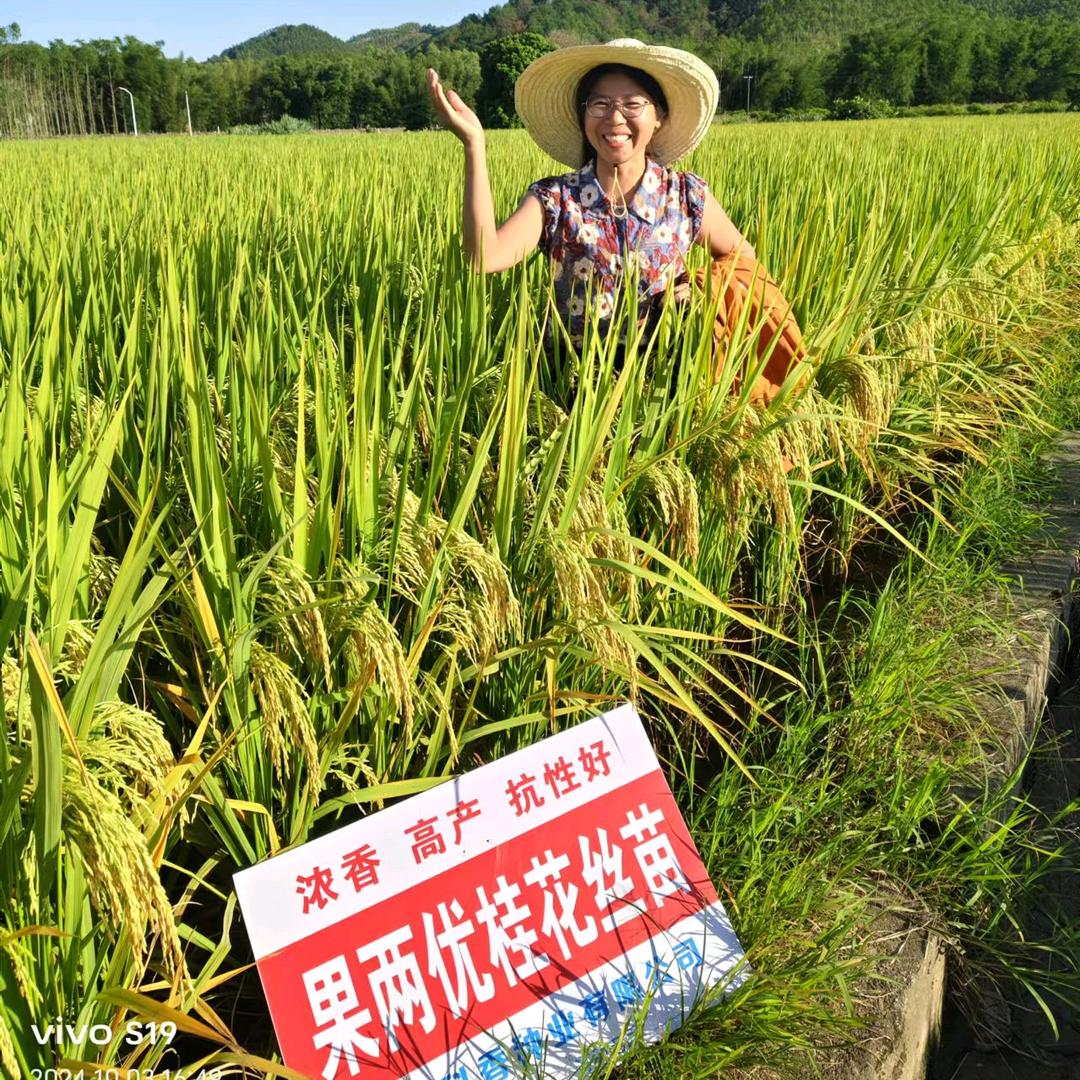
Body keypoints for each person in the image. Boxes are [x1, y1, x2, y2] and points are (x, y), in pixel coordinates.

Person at [428, 38, 806, 402]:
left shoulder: (686, 195)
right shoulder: (556, 200)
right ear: (583, 115)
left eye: (632, 104)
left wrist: (702, 289)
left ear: (659, 116)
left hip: (664, 389)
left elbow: (745, 259)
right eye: (600, 104)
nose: (614, 118)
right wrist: (474, 145)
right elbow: (485, 257)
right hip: (570, 391)